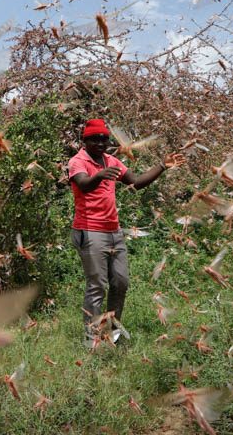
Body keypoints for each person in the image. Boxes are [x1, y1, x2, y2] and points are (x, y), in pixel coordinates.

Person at [68, 118, 184, 348]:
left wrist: (162, 165)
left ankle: (113, 332)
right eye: (95, 139)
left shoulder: (111, 161)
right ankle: (91, 339)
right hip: (90, 230)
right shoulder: (77, 161)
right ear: (85, 140)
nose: (101, 143)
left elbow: (137, 182)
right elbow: (83, 184)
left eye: (104, 139)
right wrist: (100, 175)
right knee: (97, 285)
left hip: (114, 231)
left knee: (120, 282)